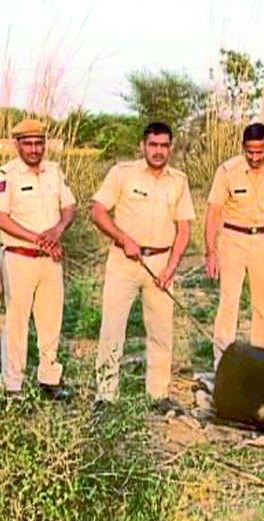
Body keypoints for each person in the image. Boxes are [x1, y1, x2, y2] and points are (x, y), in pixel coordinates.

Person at [90, 121, 195, 410]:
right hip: (124, 262)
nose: (158, 151)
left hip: (161, 264)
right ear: (142, 146)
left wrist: (171, 268)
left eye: (164, 146)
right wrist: (123, 239)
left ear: (171, 148)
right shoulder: (122, 173)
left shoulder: (179, 181)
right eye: (153, 145)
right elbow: (97, 211)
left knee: (161, 332)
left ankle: (158, 395)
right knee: (112, 329)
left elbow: (184, 229)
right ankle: (105, 396)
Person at [0, 119, 76, 400]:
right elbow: (1, 219)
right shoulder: (6, 174)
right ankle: (12, 384)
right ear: (17, 144)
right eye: (28, 143)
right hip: (19, 258)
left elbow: (69, 207)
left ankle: (49, 379)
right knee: (16, 323)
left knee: (51, 320)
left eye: (39, 143)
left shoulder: (54, 171)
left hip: (50, 260)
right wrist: (39, 239)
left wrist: (58, 230)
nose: (34, 149)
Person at [204, 122, 264, 368]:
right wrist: (210, 251)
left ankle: (259, 363)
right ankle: (222, 362)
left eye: (259, 152)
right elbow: (214, 211)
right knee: (228, 303)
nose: (254, 157)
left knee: (262, 305)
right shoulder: (227, 171)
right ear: (243, 147)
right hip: (233, 240)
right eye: (249, 152)